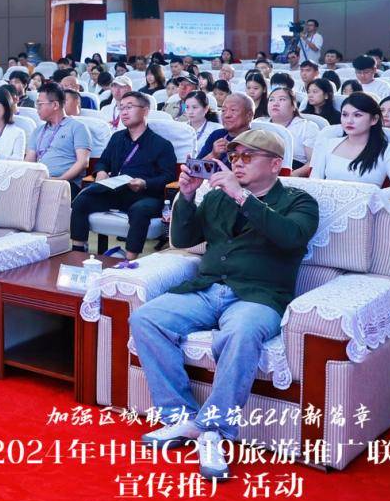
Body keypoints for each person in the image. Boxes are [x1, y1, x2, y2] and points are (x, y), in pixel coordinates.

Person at [131, 129, 319, 479]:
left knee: (241, 333)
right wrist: (187, 197)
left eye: (248, 156)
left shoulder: (299, 201)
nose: (238, 163)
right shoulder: (217, 197)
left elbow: (291, 238)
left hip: (259, 296)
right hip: (207, 289)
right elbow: (185, 239)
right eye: (234, 157)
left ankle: (212, 429)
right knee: (146, 318)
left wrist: (241, 195)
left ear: (275, 164)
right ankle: (181, 418)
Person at [69, 92, 177, 260]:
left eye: (129, 107)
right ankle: (78, 252)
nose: (124, 112)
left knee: (139, 210)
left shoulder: (162, 144)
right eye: (121, 108)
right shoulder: (117, 138)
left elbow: (168, 177)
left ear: (145, 110)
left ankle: (129, 260)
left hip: (146, 195)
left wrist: (145, 183)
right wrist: (101, 172)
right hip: (116, 191)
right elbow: (103, 161)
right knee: (82, 200)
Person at [308, 92, 390, 200]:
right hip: (327, 204)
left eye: (357, 115)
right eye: (345, 115)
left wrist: (363, 196)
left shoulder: (388, 150)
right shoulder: (328, 144)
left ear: (374, 119)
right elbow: (314, 183)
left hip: (365, 206)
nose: (349, 121)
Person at [27, 83, 90, 191]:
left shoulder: (78, 127)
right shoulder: (38, 131)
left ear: (55, 105)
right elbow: (29, 161)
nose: (37, 109)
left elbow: (83, 162)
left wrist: (60, 180)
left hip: (66, 184)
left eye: (40, 104)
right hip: (39, 182)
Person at [265, 88, 317, 175]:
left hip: (294, 172)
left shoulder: (307, 127)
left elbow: (314, 161)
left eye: (282, 99)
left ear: (293, 106)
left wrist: (293, 175)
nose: (275, 103)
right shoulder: (259, 124)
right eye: (271, 100)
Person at [197, 93, 254, 164]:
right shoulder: (217, 135)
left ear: (249, 115)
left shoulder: (255, 141)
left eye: (233, 110)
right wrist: (213, 155)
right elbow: (195, 166)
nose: (227, 115)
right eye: (223, 110)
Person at [182, 91, 218, 159]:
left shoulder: (216, 129)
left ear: (206, 109)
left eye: (195, 107)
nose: (190, 112)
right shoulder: (180, 127)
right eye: (187, 107)